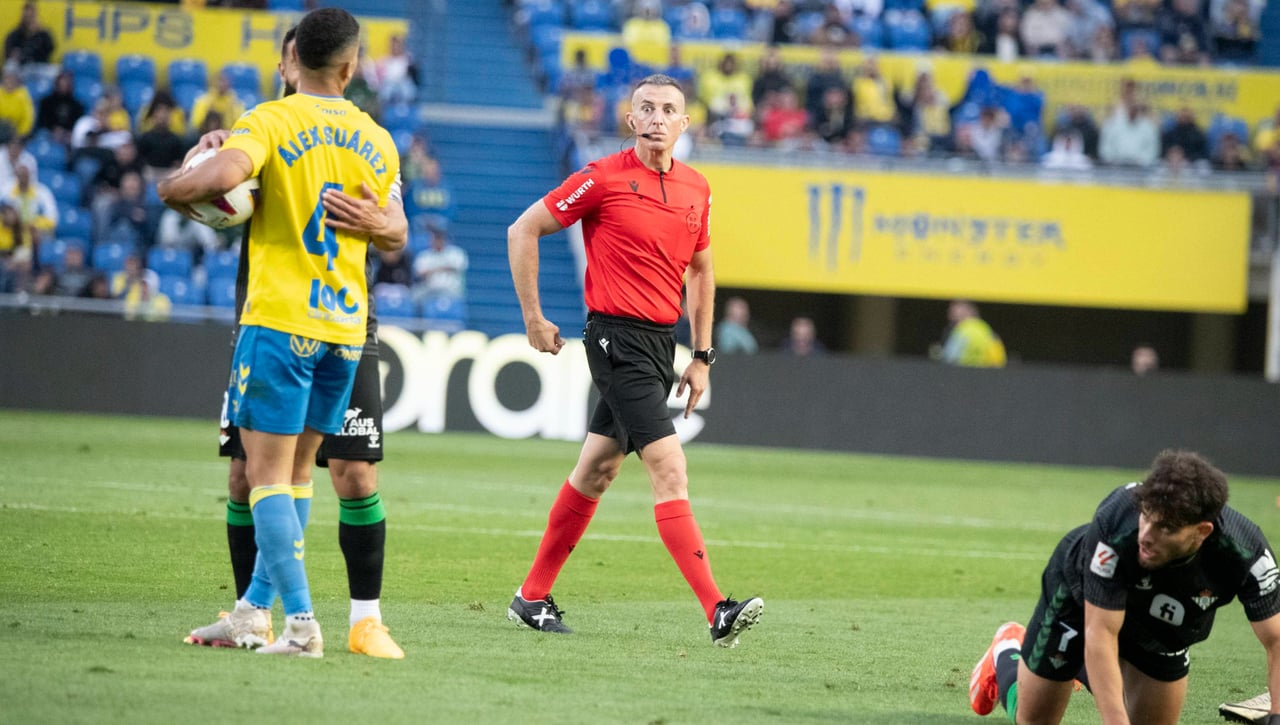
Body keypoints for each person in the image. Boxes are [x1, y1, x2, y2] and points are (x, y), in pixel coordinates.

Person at [159, 7, 401, 658]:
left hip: (278, 320)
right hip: (345, 329)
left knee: (263, 476)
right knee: (296, 476)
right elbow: (396, 229)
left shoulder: (268, 120)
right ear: (351, 67)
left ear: (291, 61)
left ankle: (300, 626)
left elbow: (219, 180)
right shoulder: (377, 139)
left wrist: (171, 185)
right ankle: (248, 612)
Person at [505, 73, 763, 646]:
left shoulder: (698, 188)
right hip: (613, 339)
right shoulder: (602, 178)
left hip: (658, 344)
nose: (655, 117)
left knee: (597, 469)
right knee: (670, 468)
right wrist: (533, 317)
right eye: (645, 107)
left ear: (684, 123)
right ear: (630, 119)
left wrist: (701, 356)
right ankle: (716, 610)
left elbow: (701, 270)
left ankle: (531, 596)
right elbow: (523, 229)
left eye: (668, 109)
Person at [969, 449, 1280, 724]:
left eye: (1165, 528)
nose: (1146, 534)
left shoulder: (1246, 553)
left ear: (1202, 531)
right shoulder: (1117, 519)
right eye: (1146, 516)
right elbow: (1101, 633)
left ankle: (1077, 670)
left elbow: (1277, 641)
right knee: (1034, 720)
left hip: (1164, 628)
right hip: (1081, 602)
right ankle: (1008, 650)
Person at [411, 223, 467, 306]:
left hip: (451, 289)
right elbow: (419, 273)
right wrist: (444, 268)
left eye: (440, 239)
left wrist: (433, 270)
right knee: (414, 295)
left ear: (445, 240)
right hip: (429, 288)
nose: (438, 242)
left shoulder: (456, 253)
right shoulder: (424, 255)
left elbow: (458, 267)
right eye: (435, 239)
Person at [939, 299, 1006, 367]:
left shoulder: (962, 330)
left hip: (961, 372)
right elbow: (998, 359)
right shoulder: (985, 328)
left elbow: (949, 357)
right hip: (985, 374)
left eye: (953, 312)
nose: (950, 316)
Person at [3, 1, 54, 67]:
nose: (29, 19)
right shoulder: (15, 35)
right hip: (21, 67)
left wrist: (39, 33)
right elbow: (9, 53)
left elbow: (50, 48)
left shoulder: (43, 34)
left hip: (39, 66)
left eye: (31, 16)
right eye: (27, 16)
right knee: (10, 65)